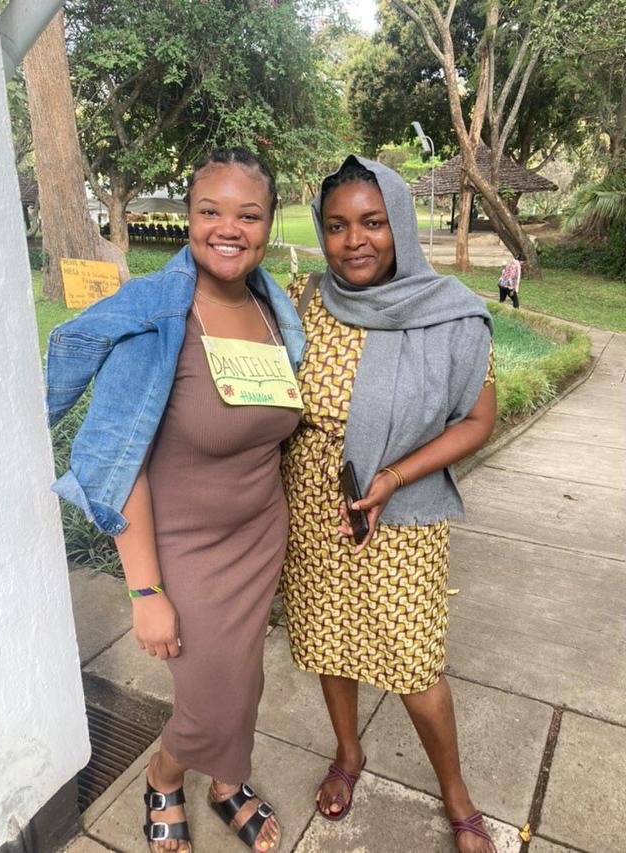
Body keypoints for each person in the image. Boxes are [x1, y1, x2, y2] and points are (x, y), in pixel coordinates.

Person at [46, 148, 306, 853]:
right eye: (209, 211)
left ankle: (224, 780)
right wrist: (146, 587)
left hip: (260, 534)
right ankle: (164, 775)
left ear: (268, 222)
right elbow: (123, 460)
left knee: (242, 678)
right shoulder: (157, 321)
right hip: (182, 546)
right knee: (207, 695)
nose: (229, 228)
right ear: (189, 220)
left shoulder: (271, 308)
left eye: (247, 214)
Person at [281, 155, 497, 853]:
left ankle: (457, 795)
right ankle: (349, 753)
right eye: (338, 225)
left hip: (398, 513)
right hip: (314, 504)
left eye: (372, 222)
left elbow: (475, 422)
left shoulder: (452, 313)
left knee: (412, 662)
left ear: (398, 223)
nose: (354, 240)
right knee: (328, 642)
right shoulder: (306, 297)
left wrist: (394, 477)